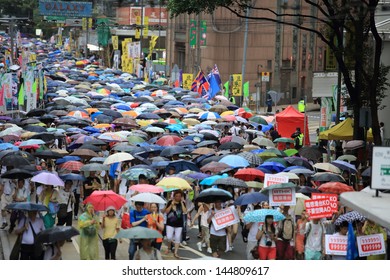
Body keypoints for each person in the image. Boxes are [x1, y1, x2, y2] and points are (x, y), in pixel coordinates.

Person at [164, 190, 186, 258]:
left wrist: (182, 202)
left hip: (179, 224)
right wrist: (171, 204)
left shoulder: (182, 203)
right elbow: (166, 211)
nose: (178, 197)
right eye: (176, 196)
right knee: (169, 237)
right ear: (174, 196)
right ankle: (169, 247)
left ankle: (176, 252)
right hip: (170, 223)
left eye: (179, 196)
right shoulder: (170, 202)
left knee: (177, 238)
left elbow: (185, 211)